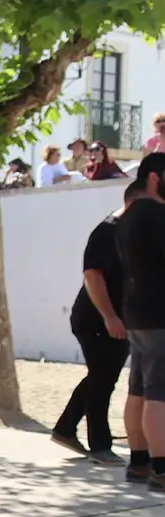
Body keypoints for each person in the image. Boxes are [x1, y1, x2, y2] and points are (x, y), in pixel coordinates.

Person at [52, 181, 145, 464]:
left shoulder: (130, 233)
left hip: (116, 319)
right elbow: (93, 275)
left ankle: (65, 428)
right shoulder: (109, 230)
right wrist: (110, 317)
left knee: (101, 376)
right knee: (103, 377)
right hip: (96, 319)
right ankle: (100, 445)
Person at [114, 152, 165, 490]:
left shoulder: (126, 219)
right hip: (160, 313)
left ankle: (139, 463)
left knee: (139, 390)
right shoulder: (158, 216)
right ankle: (162, 471)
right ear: (155, 177)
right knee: (159, 393)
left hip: (136, 312)